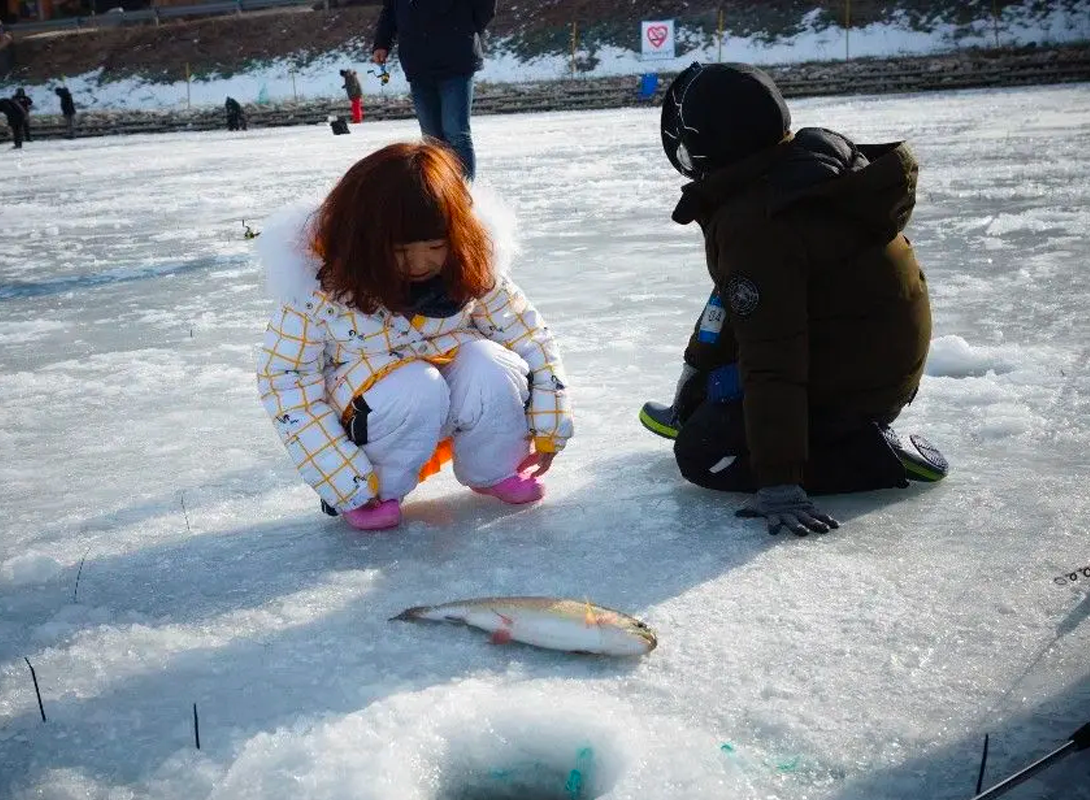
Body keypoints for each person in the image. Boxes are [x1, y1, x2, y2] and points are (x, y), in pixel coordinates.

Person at [641, 62, 947, 537]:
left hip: (857, 383)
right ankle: (702, 406)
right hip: (855, 350)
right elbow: (733, 303)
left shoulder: (756, 222)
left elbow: (774, 355)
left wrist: (779, 481)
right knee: (726, 349)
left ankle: (868, 453)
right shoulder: (788, 168)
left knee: (702, 454)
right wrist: (694, 383)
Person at [256, 141, 572, 531]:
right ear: (366, 240)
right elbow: (286, 382)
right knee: (416, 386)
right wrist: (343, 480)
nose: (421, 263)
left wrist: (549, 427)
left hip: (448, 397)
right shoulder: (319, 290)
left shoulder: (470, 267)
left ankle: (495, 468)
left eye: (436, 246)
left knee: (492, 364)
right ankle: (377, 490)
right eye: (402, 250)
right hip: (378, 411)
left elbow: (531, 339)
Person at [373, 0, 495, 180]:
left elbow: (485, 6)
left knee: (456, 133)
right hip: (418, 64)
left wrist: (464, 27)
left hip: (456, 61)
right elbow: (391, 9)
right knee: (431, 139)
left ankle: (464, 194)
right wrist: (381, 43)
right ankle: (442, 193)